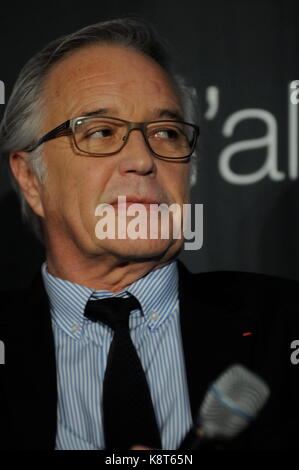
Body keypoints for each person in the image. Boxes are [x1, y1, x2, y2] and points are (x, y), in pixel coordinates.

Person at [0, 17, 298, 451]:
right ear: (30, 179)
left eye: (166, 133)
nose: (142, 159)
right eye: (101, 132)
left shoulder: (285, 325)